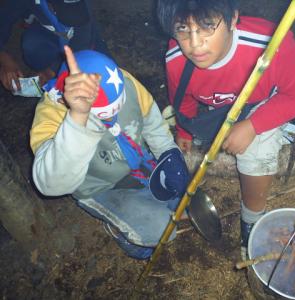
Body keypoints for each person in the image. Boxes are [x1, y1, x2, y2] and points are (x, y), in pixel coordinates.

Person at [156, 0, 295, 259]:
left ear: (231, 19)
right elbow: (182, 98)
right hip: (224, 109)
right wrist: (184, 129)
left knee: (256, 150)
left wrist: (253, 125)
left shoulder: (271, 45)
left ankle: (252, 219)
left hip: (268, 104)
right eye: (183, 28)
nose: (194, 44)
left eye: (207, 26)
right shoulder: (176, 58)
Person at [30, 46, 190, 259]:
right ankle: (116, 224)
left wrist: (168, 153)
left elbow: (152, 121)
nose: (113, 119)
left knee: (185, 201)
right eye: (105, 115)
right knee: (161, 231)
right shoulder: (50, 117)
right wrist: (79, 118)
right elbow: (51, 186)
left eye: (118, 106)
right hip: (101, 186)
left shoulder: (121, 80)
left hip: (139, 164)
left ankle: (144, 198)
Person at [0, 0, 109, 95]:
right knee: (31, 46)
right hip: (49, 29)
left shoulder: (82, 10)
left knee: (101, 81)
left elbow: (82, 43)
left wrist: (50, 71)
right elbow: (4, 19)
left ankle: (56, 72)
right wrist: (5, 60)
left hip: (82, 35)